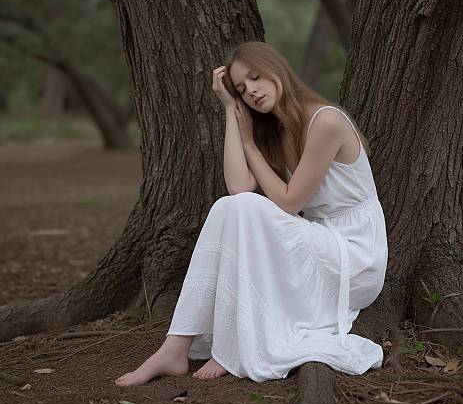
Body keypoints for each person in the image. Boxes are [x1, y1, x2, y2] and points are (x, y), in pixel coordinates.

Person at [115, 41, 388, 385]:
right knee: (232, 206)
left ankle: (210, 346)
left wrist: (248, 145)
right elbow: (238, 187)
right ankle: (175, 346)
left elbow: (288, 202)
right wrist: (231, 111)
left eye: (256, 78)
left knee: (241, 207)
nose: (252, 92)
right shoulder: (274, 131)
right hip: (319, 241)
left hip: (354, 255)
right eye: (243, 90)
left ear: (278, 71)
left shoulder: (325, 121)